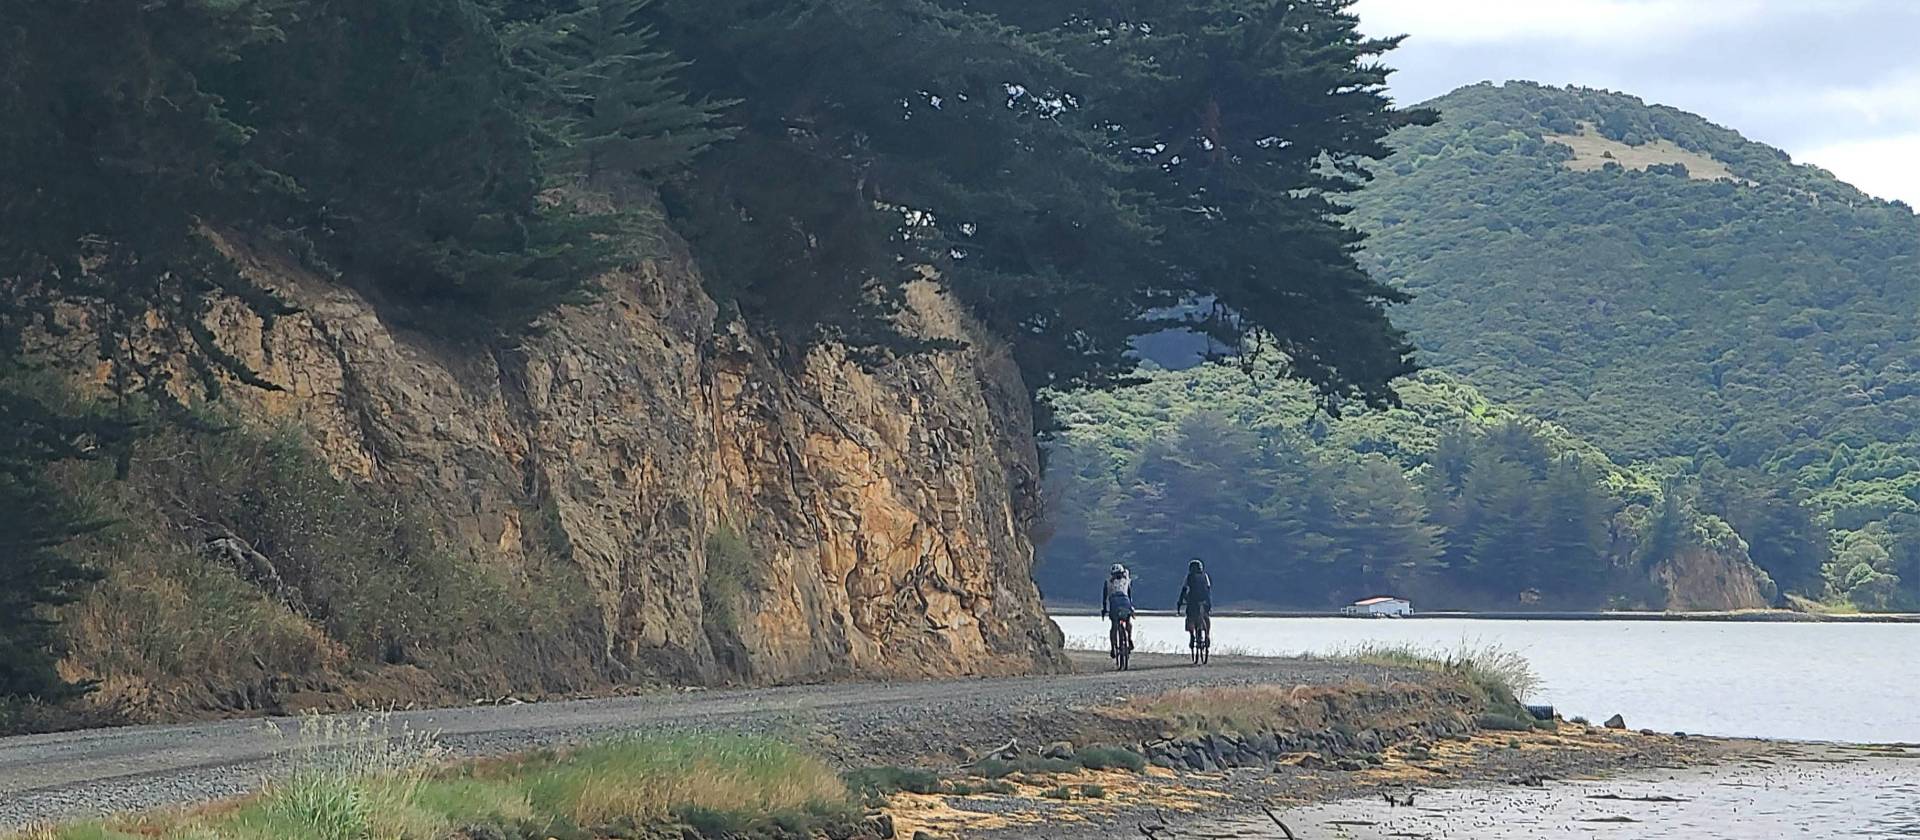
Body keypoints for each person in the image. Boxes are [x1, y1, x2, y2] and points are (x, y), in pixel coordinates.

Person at [1176, 558, 1212, 650]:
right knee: (1206, 617)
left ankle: (1192, 635)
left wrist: (1180, 603)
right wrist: (1209, 603)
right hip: (1204, 601)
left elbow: (1184, 590)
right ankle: (1207, 635)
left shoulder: (1188, 577)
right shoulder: (1205, 576)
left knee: (1190, 618)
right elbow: (1208, 590)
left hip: (1192, 601)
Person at [1100, 564, 1134, 659]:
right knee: (1128, 621)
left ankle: (1113, 648)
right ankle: (1129, 639)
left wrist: (1104, 609)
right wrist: (1131, 607)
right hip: (1126, 603)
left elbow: (1105, 598)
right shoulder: (1126, 580)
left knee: (1114, 626)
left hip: (1114, 604)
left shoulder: (1108, 582)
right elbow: (1129, 596)